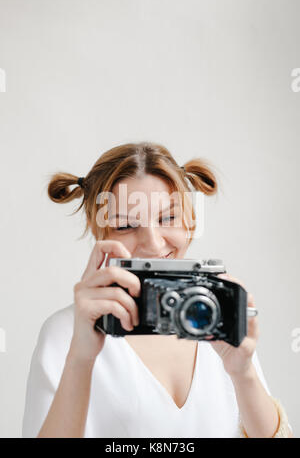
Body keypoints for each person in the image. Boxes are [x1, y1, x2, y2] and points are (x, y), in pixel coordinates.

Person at [22, 142, 293, 438]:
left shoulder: (215, 312)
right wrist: (80, 358)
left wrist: (243, 372)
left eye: (167, 218)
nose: (153, 243)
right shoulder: (66, 333)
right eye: (125, 225)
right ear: (99, 231)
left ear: (190, 220)